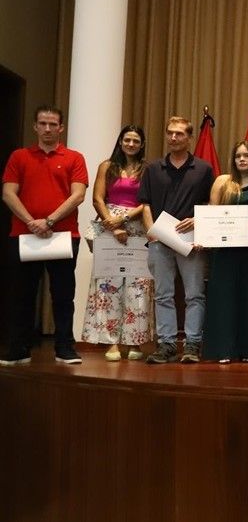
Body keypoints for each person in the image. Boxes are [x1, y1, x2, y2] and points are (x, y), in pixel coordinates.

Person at [2, 105, 88, 365]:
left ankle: (65, 348)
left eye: (53, 124)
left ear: (61, 128)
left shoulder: (74, 157)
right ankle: (19, 348)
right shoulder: (19, 156)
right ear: (35, 127)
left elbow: (78, 195)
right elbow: (8, 193)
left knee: (63, 295)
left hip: (63, 236)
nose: (48, 129)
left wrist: (49, 220)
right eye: (43, 124)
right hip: (24, 236)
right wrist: (31, 222)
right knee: (22, 294)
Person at [140, 116, 214, 364]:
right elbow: (145, 203)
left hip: (190, 240)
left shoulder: (203, 169)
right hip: (159, 240)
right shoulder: (153, 168)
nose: (174, 137)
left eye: (180, 134)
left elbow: (210, 203)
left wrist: (198, 220)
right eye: (170, 133)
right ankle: (167, 344)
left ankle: (192, 344)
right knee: (163, 294)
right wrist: (150, 231)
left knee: (195, 294)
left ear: (189, 137)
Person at [81, 125, 153, 361]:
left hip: (137, 227)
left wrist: (124, 218)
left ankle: (134, 341)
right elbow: (97, 198)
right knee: (107, 286)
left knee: (138, 286)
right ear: (120, 142)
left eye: (136, 141)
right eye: (127, 140)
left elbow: (148, 202)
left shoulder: (147, 169)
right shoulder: (107, 166)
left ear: (142, 145)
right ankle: (110, 342)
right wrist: (112, 223)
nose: (131, 144)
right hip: (109, 228)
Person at [203, 141, 248, 363]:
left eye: (246, 155)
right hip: (225, 251)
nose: (241, 159)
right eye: (237, 155)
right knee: (224, 298)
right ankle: (224, 349)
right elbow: (211, 214)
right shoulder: (224, 182)